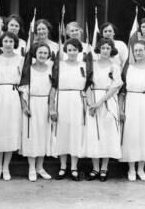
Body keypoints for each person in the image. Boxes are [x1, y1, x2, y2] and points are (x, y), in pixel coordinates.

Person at [120, 40, 145, 182]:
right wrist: (121, 108)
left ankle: (141, 170)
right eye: (136, 50)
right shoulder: (128, 68)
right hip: (131, 102)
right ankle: (131, 169)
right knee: (132, 134)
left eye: (141, 50)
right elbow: (122, 89)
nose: (138, 53)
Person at [84, 38, 123, 182]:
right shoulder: (91, 65)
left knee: (107, 133)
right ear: (98, 49)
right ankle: (95, 168)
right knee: (94, 133)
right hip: (92, 99)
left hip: (107, 100)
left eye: (107, 48)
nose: (105, 51)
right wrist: (91, 104)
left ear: (111, 50)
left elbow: (115, 87)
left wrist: (99, 102)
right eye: (102, 48)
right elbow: (87, 84)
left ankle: (104, 168)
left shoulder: (115, 67)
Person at [49, 38, 87, 181]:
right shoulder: (59, 65)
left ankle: (74, 167)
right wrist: (52, 107)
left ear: (78, 51)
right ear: (65, 51)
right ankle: (63, 166)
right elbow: (53, 86)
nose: (72, 52)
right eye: (69, 50)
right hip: (62, 99)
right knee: (62, 132)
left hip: (77, 100)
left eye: (74, 50)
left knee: (76, 132)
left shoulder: (84, 65)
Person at [0, 32, 24, 181]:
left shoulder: (21, 59)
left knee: (10, 129)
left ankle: (6, 167)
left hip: (13, 95)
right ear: (1, 43)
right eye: (5, 41)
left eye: (11, 41)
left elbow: (23, 81)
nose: (8, 44)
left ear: (14, 43)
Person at [20, 42, 53, 182]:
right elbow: (23, 89)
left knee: (43, 136)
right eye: (40, 52)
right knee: (32, 136)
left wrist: (51, 107)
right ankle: (32, 167)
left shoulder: (51, 69)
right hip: (32, 104)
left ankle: (40, 167)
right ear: (35, 53)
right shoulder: (28, 69)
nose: (42, 55)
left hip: (45, 104)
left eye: (45, 53)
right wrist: (25, 106)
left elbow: (53, 90)